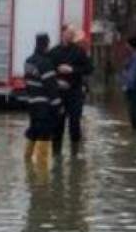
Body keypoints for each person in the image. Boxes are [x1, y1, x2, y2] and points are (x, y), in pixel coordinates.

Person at [48, 24, 94, 153]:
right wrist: (57, 81)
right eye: (69, 32)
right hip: (59, 94)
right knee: (57, 125)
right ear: (62, 33)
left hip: (75, 93)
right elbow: (47, 72)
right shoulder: (53, 52)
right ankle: (56, 154)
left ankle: (75, 154)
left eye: (73, 33)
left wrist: (72, 69)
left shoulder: (79, 51)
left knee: (75, 124)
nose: (71, 35)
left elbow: (89, 69)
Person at [23, 33, 62, 169]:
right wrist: (58, 107)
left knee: (33, 133)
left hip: (32, 105)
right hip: (44, 107)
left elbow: (29, 82)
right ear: (47, 44)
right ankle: (42, 180)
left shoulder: (28, 61)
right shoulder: (46, 63)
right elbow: (51, 88)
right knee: (44, 136)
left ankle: (27, 165)